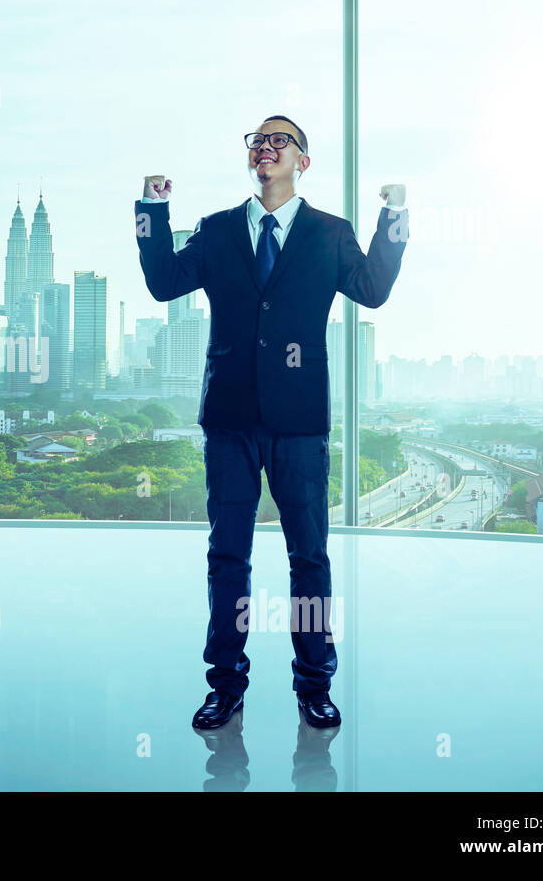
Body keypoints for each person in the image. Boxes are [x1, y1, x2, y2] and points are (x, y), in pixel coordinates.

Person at [134, 114, 409, 730]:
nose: (266, 146)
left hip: (300, 423)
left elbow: (372, 289)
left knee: (308, 557)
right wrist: (153, 210)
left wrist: (393, 218)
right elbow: (162, 284)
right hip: (230, 417)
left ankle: (315, 683)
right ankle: (224, 685)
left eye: (280, 139)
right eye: (257, 140)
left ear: (302, 162)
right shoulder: (217, 230)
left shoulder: (329, 234)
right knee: (227, 556)